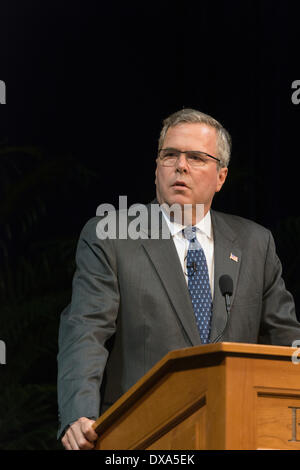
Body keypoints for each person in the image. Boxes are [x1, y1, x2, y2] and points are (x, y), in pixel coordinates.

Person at [57, 108, 300, 450]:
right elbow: (85, 330)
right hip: (142, 436)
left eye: (197, 157)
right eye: (170, 154)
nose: (180, 165)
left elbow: (286, 340)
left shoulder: (255, 243)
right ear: (157, 168)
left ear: (221, 176)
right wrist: (78, 414)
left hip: (236, 430)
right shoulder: (112, 235)